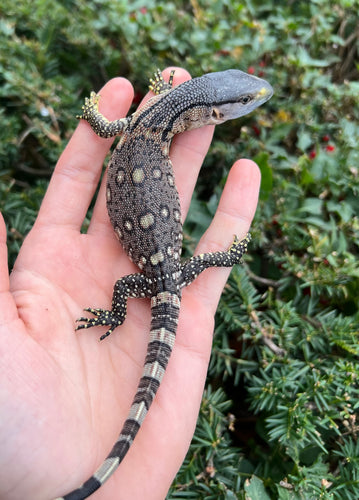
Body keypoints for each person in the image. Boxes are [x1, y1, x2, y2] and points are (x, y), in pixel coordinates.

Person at [0, 68, 261, 499]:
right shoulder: (151, 122)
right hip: (167, 273)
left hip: (162, 273)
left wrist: (95, 117)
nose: (253, 102)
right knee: (143, 287)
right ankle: (223, 258)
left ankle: (216, 262)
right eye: (244, 102)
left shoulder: (144, 119)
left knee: (135, 291)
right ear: (211, 112)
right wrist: (226, 257)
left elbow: (108, 126)